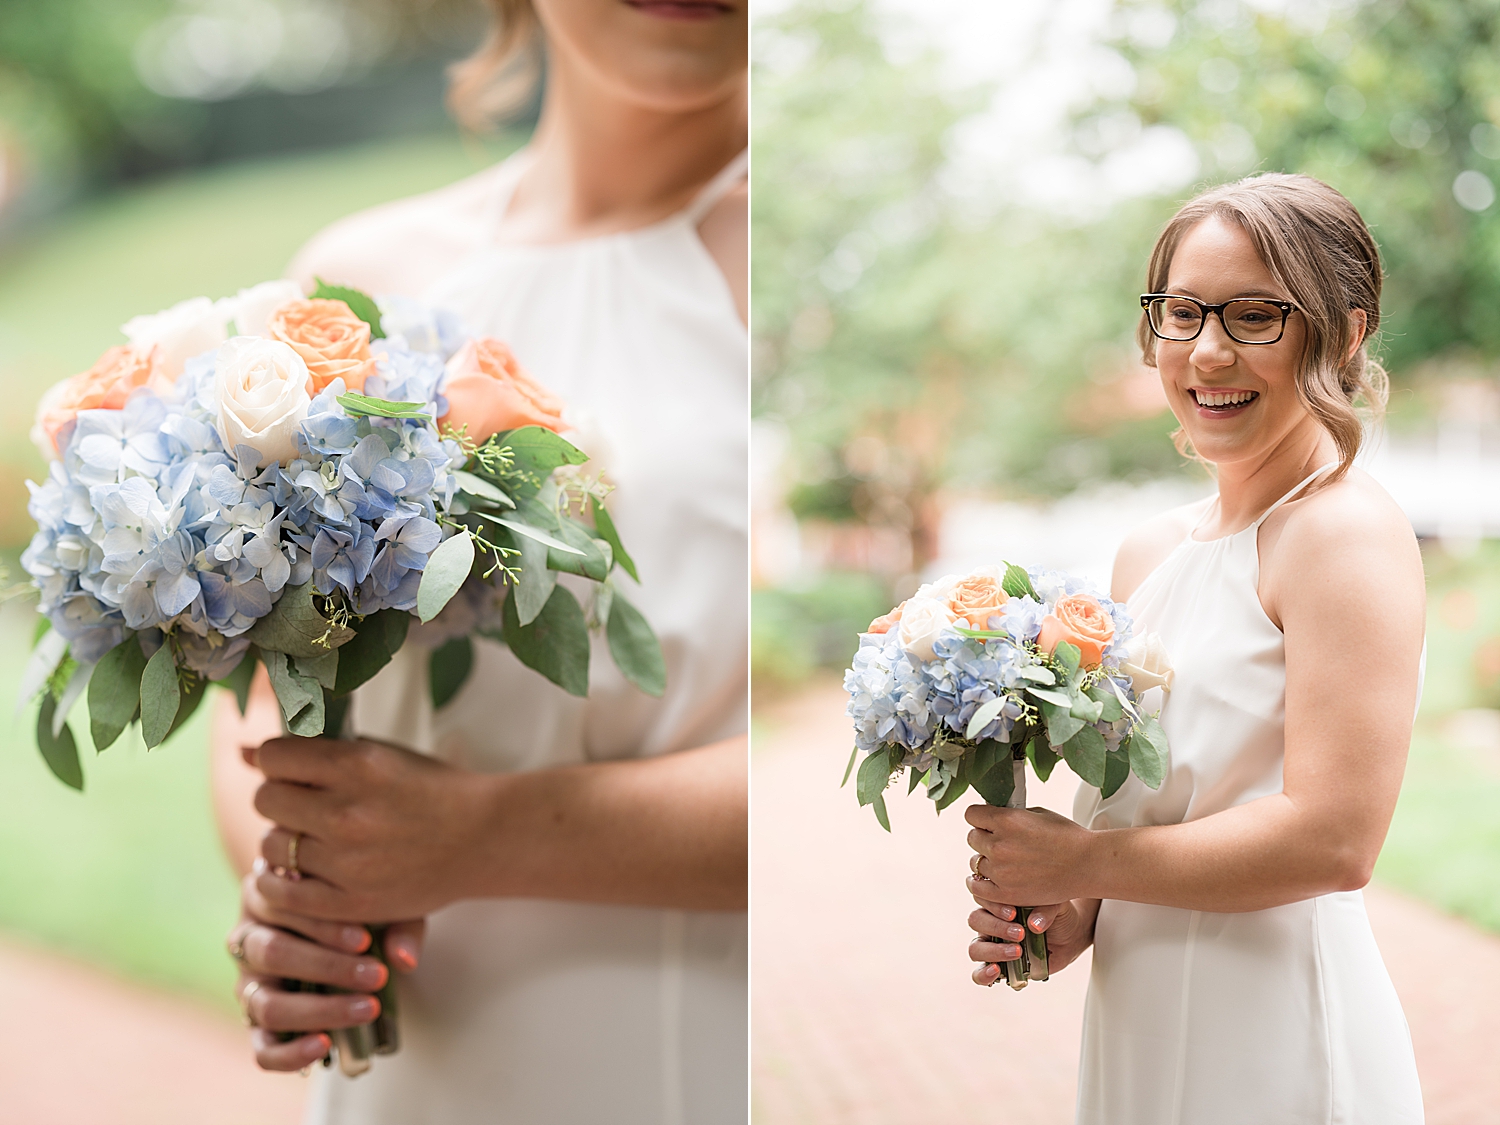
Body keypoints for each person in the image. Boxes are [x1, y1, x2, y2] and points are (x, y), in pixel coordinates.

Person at [211, 1, 748, 1121]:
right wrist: (298, 890)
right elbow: (260, 684)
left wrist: (481, 836)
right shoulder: (360, 275)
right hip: (423, 1048)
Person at [963, 173, 1426, 1123]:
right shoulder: (1148, 552)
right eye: (1182, 312)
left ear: (1344, 333)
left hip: (1277, 1036)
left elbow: (1334, 838)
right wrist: (1058, 916)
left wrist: (1080, 866)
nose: (1208, 349)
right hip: (1141, 1025)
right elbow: (1125, 821)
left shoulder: (1342, 535)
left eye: (1257, 315)